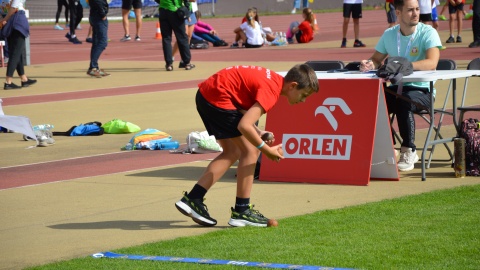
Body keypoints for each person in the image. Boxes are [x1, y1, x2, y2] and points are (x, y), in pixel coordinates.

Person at [174, 64, 319, 227]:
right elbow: (244, 126)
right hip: (216, 98)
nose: (303, 100)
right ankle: (242, 211)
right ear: (293, 86)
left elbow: (240, 107)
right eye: (304, 94)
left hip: (207, 96)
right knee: (250, 152)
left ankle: (194, 198)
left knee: (232, 151)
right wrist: (266, 150)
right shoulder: (271, 91)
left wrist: (258, 132)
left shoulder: (273, 81)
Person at [359, 0, 442, 172]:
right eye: (410, 10)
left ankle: (409, 150)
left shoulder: (428, 32)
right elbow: (376, 59)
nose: (416, 13)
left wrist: (406, 66)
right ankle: (388, 147)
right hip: (398, 88)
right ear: (398, 13)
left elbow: (432, 62)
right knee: (373, 102)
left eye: (417, 9)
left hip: (423, 91)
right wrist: (369, 64)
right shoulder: (389, 34)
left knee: (404, 101)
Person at [0, 0, 37, 90]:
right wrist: (5, 19)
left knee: (17, 52)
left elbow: (4, 8)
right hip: (17, 22)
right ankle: (8, 81)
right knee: (15, 53)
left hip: (9, 23)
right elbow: (13, 8)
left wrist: (4, 19)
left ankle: (24, 79)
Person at [160, 0, 195, 71]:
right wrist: (187, 11)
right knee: (182, 37)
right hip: (175, 11)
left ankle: (169, 64)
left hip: (163, 10)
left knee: (166, 38)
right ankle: (187, 63)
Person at [86, 0, 109, 77]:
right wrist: (102, 14)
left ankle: (93, 67)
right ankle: (93, 67)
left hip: (95, 16)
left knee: (96, 43)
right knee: (102, 42)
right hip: (99, 17)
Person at [172, 0, 196, 68]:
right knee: (182, 37)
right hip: (182, 10)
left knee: (188, 36)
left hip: (191, 10)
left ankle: (184, 60)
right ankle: (171, 57)